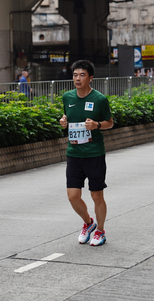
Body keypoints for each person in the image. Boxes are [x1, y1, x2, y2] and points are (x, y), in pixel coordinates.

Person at [59, 60, 113, 246]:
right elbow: (67, 117)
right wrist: (64, 122)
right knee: (73, 196)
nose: (77, 78)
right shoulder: (67, 97)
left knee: (97, 196)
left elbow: (110, 122)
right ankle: (89, 223)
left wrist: (97, 125)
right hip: (74, 153)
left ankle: (100, 231)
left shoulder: (99, 99)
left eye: (82, 75)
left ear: (91, 78)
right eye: (75, 75)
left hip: (94, 154)